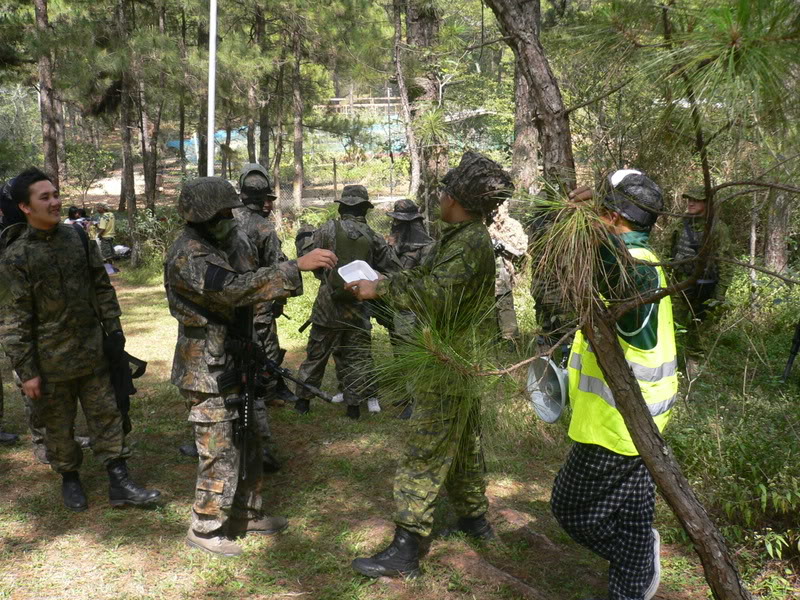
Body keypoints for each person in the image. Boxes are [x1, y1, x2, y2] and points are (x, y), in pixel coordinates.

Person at [346, 151, 514, 578]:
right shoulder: (460, 236)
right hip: (458, 356)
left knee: (424, 451)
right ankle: (474, 519)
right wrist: (382, 283)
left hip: (450, 361)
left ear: (458, 200)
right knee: (462, 443)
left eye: (444, 191)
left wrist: (380, 289)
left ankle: (406, 548)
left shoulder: (470, 241)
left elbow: (436, 293)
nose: (438, 198)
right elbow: (425, 279)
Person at [164, 176, 336, 557]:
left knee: (250, 438)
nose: (233, 218)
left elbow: (247, 276)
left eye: (232, 211)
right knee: (218, 448)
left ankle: (246, 512)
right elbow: (233, 289)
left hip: (234, 358)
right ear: (203, 216)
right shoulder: (188, 254)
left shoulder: (224, 243)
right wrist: (296, 267)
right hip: (205, 369)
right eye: (224, 213)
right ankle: (206, 527)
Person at [0, 167, 160, 512]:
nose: (56, 202)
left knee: (108, 415)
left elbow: (100, 286)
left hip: (93, 352)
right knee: (58, 425)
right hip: (50, 361)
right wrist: (27, 371)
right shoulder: (16, 257)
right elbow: (14, 320)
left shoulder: (77, 239)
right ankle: (69, 478)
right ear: (26, 207)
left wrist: (114, 331)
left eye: (56, 194)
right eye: (45, 197)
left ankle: (119, 480)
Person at [550, 169, 677, 600]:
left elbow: (606, 264)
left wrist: (580, 220)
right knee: (633, 513)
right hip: (640, 417)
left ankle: (635, 560)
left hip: (617, 424)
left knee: (570, 507)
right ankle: (632, 584)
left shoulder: (636, 269)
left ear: (612, 215)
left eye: (603, 212)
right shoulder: (639, 261)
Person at [293, 184, 401, 419]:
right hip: (358, 304)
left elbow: (306, 254)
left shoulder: (327, 229)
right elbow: (393, 269)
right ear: (365, 208)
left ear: (342, 207)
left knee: (317, 354)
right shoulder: (373, 237)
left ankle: (302, 401)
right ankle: (353, 407)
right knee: (357, 355)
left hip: (327, 305)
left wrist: (303, 235)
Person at [668, 187, 732, 360]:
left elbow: (725, 263)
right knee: (672, 327)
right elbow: (668, 253)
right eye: (689, 198)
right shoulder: (680, 224)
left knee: (699, 331)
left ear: (708, 203)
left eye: (696, 199)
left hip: (705, 287)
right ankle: (673, 363)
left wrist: (719, 295)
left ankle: (694, 366)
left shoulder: (717, 228)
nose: (691, 202)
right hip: (679, 285)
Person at [383, 199, 433, 419]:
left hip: (417, 311)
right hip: (398, 307)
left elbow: (426, 282)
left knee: (414, 355)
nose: (395, 226)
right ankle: (407, 394)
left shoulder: (428, 247)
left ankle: (418, 401)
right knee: (401, 353)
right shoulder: (396, 244)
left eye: (399, 223)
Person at [488, 203, 528, 345]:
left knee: (504, 303)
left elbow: (521, 250)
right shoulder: (484, 223)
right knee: (487, 306)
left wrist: (503, 246)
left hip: (503, 271)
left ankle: (510, 339)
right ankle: (490, 337)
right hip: (485, 270)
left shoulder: (513, 225)